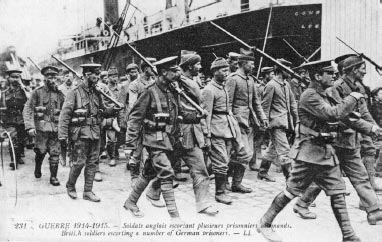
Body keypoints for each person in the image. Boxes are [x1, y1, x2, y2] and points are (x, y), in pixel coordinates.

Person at [257, 60, 367, 242]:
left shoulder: (324, 94)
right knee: (291, 191)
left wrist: (369, 128)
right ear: (317, 76)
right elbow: (333, 114)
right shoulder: (309, 96)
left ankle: (349, 236)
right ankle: (265, 223)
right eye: (330, 73)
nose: (334, 76)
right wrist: (353, 97)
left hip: (324, 153)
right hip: (308, 155)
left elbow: (341, 117)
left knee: (338, 193)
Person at [124, 56, 218, 220]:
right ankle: (174, 217)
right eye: (173, 71)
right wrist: (129, 145)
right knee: (167, 174)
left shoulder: (172, 91)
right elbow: (134, 118)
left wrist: (197, 116)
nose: (177, 73)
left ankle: (130, 202)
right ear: (163, 72)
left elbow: (180, 115)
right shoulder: (149, 92)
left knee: (148, 172)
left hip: (170, 139)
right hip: (154, 139)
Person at [293, 55, 382, 225]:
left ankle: (374, 211)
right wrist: (370, 129)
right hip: (337, 139)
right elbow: (339, 115)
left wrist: (373, 128)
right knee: (324, 176)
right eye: (361, 68)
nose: (364, 72)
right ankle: (302, 203)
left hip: (350, 139)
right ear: (353, 70)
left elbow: (362, 113)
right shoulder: (335, 88)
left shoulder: (357, 87)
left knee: (358, 175)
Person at [58, 63, 119, 202]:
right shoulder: (74, 93)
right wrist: (62, 136)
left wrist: (113, 110)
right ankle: (71, 186)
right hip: (80, 133)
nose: (97, 77)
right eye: (95, 74)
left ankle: (88, 191)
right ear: (86, 75)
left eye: (98, 74)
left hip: (95, 132)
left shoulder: (97, 92)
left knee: (93, 162)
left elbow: (102, 111)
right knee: (79, 162)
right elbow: (65, 115)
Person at [225, 48, 268, 193]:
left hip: (249, 122)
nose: (254, 66)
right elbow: (227, 104)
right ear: (243, 63)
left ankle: (236, 184)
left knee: (246, 154)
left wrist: (262, 117)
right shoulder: (233, 79)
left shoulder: (250, 80)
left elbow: (256, 102)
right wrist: (232, 123)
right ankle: (225, 179)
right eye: (251, 63)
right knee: (243, 154)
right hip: (237, 123)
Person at [201, 57, 242, 204]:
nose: (226, 73)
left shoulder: (223, 87)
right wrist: (207, 134)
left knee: (226, 158)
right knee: (221, 161)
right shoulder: (209, 90)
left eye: (227, 70)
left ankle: (220, 183)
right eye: (223, 70)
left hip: (227, 129)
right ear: (214, 71)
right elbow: (206, 114)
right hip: (216, 131)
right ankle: (220, 193)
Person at [23, 65, 65, 186]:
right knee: (40, 152)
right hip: (41, 129)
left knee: (55, 153)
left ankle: (53, 177)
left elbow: (66, 110)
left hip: (55, 128)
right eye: (49, 77)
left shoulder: (60, 94)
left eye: (54, 77)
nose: (52, 80)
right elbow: (28, 109)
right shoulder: (37, 92)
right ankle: (38, 166)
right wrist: (30, 126)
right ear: (44, 78)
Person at [126, 58, 157, 183]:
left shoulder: (155, 82)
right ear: (145, 69)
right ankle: (134, 177)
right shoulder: (135, 84)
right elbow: (133, 105)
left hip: (152, 121)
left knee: (154, 150)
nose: (154, 70)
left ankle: (151, 176)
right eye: (152, 67)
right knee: (137, 152)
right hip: (140, 121)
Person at [0, 68, 28, 169]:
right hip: (10, 119)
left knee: (21, 139)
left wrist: (24, 88)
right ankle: (14, 160)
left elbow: (30, 100)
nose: (15, 79)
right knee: (13, 138)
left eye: (17, 77)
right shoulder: (4, 92)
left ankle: (19, 155)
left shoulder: (24, 91)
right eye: (13, 77)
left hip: (22, 118)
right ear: (9, 78)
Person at [104, 67, 121, 166]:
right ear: (108, 77)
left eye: (116, 76)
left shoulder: (120, 88)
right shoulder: (105, 89)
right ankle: (112, 157)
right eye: (113, 76)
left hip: (119, 115)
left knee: (119, 136)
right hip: (108, 116)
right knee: (111, 138)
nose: (115, 78)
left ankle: (115, 152)